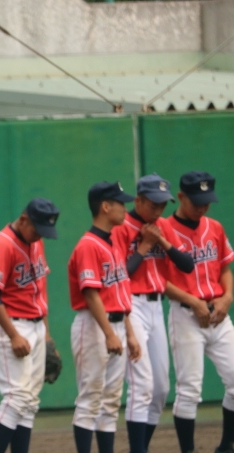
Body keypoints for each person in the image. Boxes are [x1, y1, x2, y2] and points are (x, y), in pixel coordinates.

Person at [111, 173, 194, 453]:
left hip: (157, 306)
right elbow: (120, 275)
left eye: (162, 205)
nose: (159, 210)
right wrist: (145, 246)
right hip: (131, 306)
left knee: (160, 389)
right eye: (153, 204)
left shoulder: (162, 226)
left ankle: (140, 447)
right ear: (138, 201)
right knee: (142, 385)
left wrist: (163, 242)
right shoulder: (122, 227)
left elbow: (187, 265)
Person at [68, 181, 141, 453]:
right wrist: (110, 333)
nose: (125, 208)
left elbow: (119, 294)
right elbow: (91, 295)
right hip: (95, 326)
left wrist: (129, 334)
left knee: (110, 402)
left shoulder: (112, 242)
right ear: (105, 206)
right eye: (120, 203)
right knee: (90, 400)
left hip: (116, 325)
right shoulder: (88, 245)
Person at [163, 171, 234, 453]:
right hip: (185, 317)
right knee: (190, 389)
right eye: (196, 202)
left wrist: (227, 297)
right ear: (181, 197)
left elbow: (225, 268)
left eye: (207, 202)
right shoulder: (164, 230)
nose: (203, 207)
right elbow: (158, 280)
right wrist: (193, 301)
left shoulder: (214, 227)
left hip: (218, 315)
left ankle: (226, 446)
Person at [0, 198, 60, 453]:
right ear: (24, 219)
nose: (40, 235)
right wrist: (14, 335)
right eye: (37, 229)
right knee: (16, 399)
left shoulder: (35, 241)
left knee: (30, 402)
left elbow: (40, 292)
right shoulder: (2, 245)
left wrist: (47, 336)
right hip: (13, 326)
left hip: (37, 326)